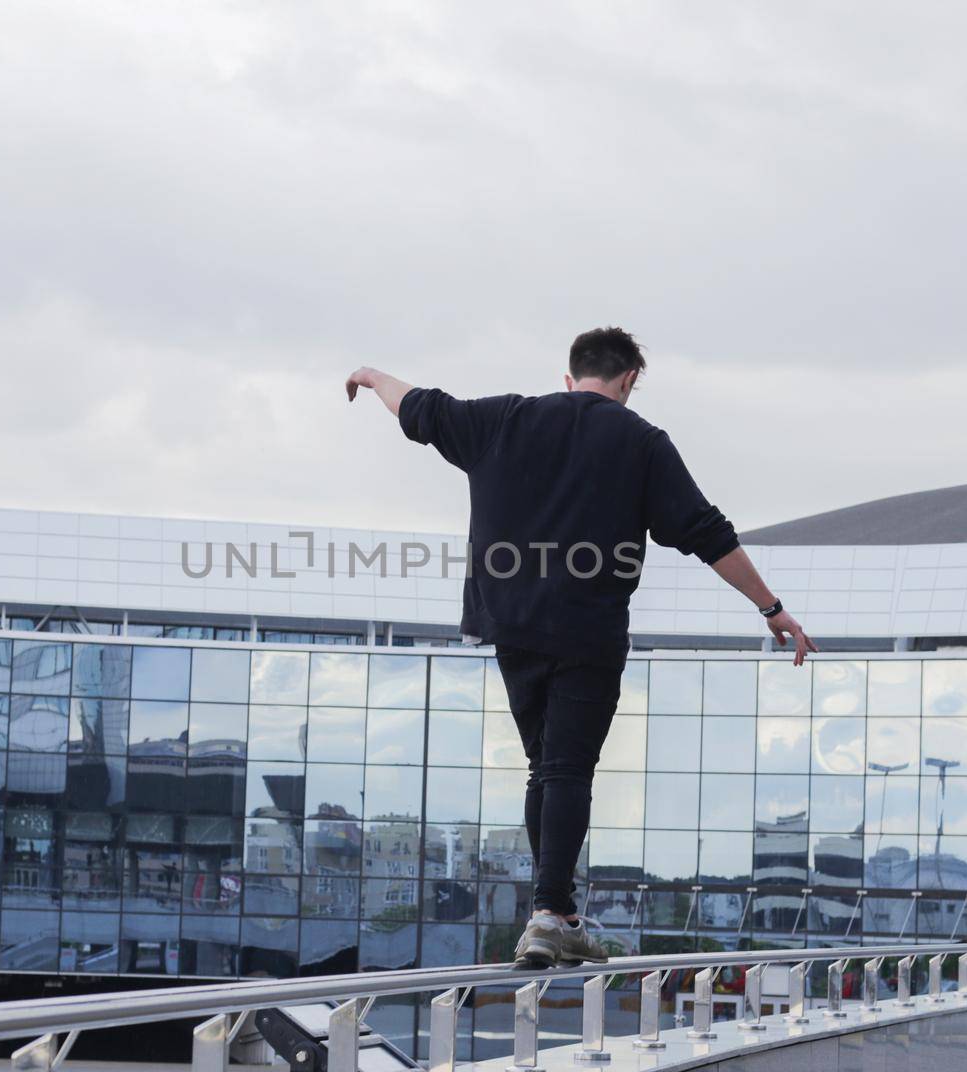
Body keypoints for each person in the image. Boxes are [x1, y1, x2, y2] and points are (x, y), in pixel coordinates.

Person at [344, 327, 816, 968]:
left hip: (510, 626)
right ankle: (547, 915)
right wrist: (771, 607)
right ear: (628, 383)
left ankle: (560, 914)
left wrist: (373, 376)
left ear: (570, 377)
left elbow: (422, 407)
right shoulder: (641, 441)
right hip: (588, 633)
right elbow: (706, 531)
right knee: (566, 770)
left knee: (546, 769)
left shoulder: (503, 419)